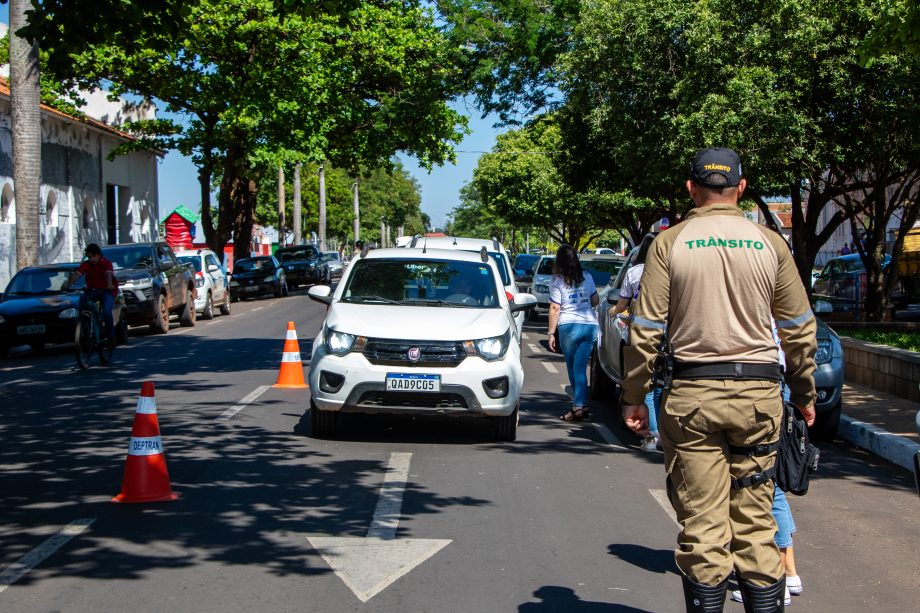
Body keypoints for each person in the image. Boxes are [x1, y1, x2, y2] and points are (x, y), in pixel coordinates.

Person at [620, 147, 817, 612]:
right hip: (759, 401)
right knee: (755, 524)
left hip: (692, 401)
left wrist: (633, 395)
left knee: (703, 528)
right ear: (741, 188)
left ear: (691, 188)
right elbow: (798, 329)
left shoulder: (671, 244)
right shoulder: (771, 243)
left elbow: (645, 329)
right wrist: (805, 394)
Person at [610, 233, 661, 452]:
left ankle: (652, 437)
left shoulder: (634, 272)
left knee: (646, 384)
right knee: (661, 386)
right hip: (671, 337)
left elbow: (622, 304)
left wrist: (613, 311)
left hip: (642, 335)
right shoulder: (670, 271)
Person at [547, 244, 600, 422]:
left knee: (573, 367)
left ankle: (577, 406)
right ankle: (582, 404)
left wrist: (551, 333)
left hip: (568, 327)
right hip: (589, 326)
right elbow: (595, 300)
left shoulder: (557, 280)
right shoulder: (587, 276)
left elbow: (555, 308)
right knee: (581, 366)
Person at [64, 243, 118, 345]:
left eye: (93, 256)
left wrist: (109, 285)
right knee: (83, 300)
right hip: (93, 290)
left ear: (99, 255)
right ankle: (84, 324)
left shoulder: (106, 263)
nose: (91, 259)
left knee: (106, 312)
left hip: (107, 291)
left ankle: (111, 336)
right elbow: (77, 274)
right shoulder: (86, 264)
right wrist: (68, 284)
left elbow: (108, 274)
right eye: (89, 257)